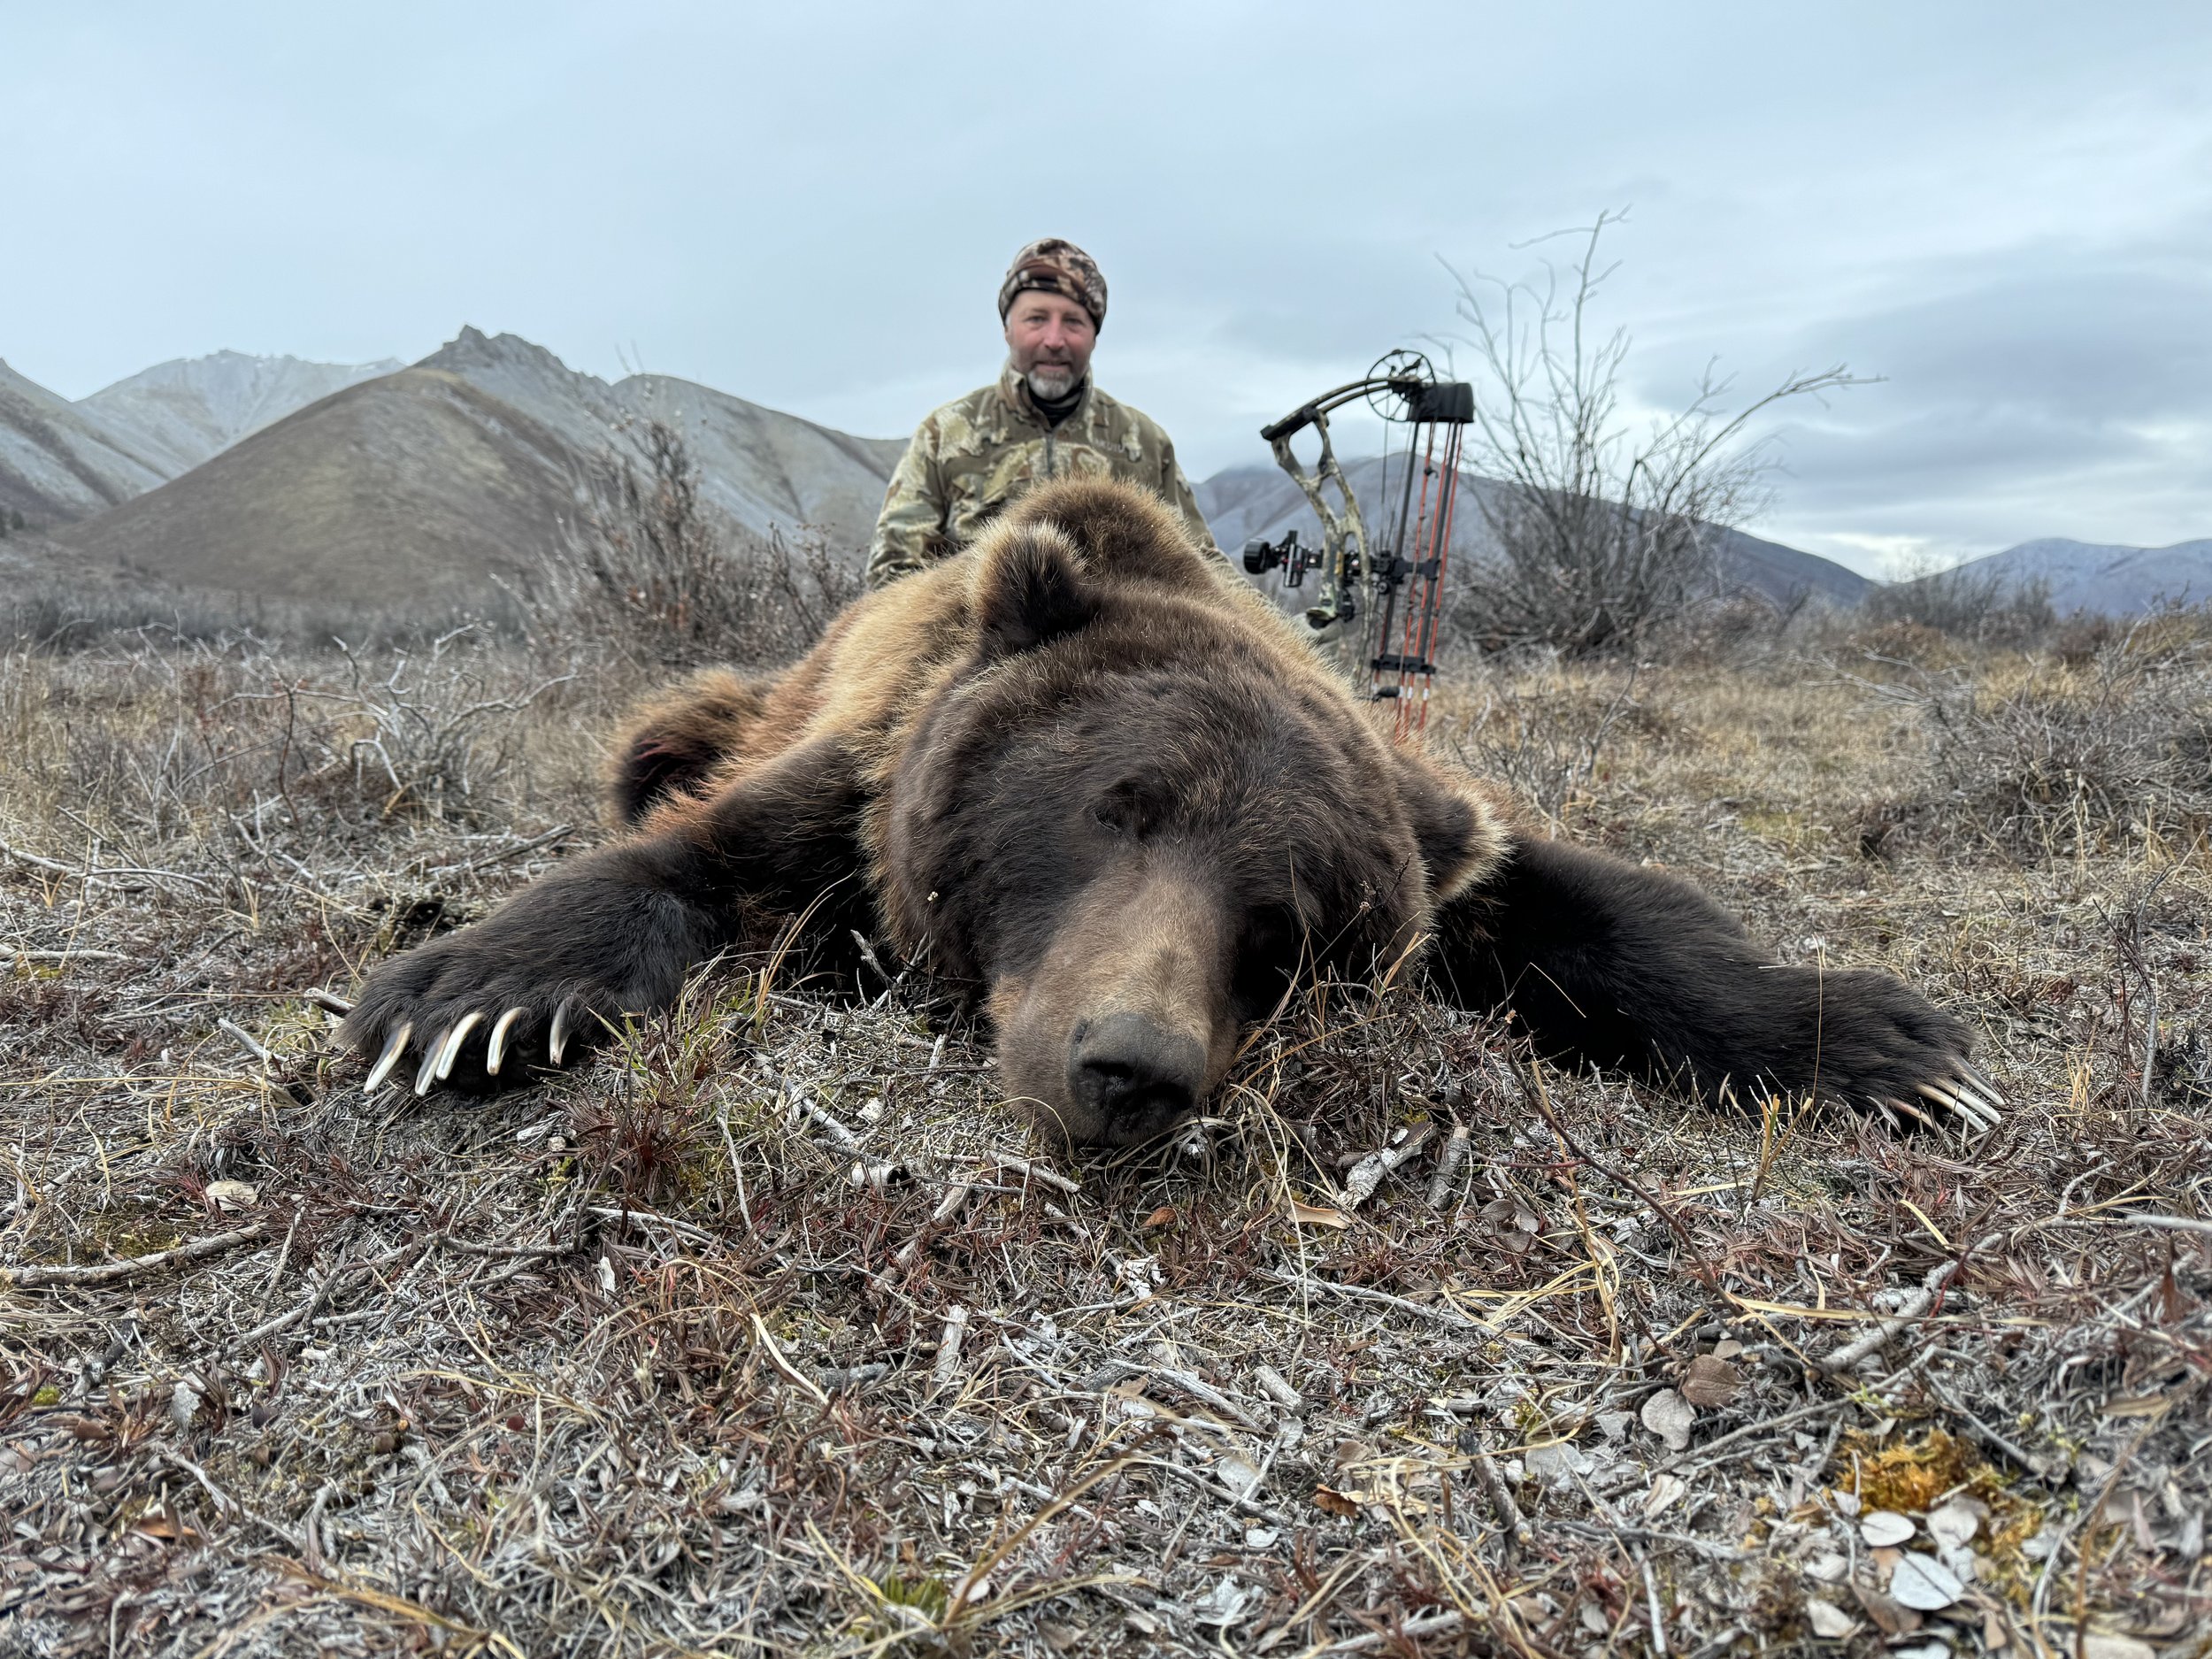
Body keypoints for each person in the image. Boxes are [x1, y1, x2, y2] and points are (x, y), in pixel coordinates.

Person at [864, 238, 1223, 588]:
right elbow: (891, 577)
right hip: (975, 641)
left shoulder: (1145, 442)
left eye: (1073, 322)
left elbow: (1206, 569)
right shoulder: (943, 434)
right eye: (1036, 319)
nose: (1054, 340)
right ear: (1008, 329)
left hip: (1120, 642)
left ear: (1094, 336)